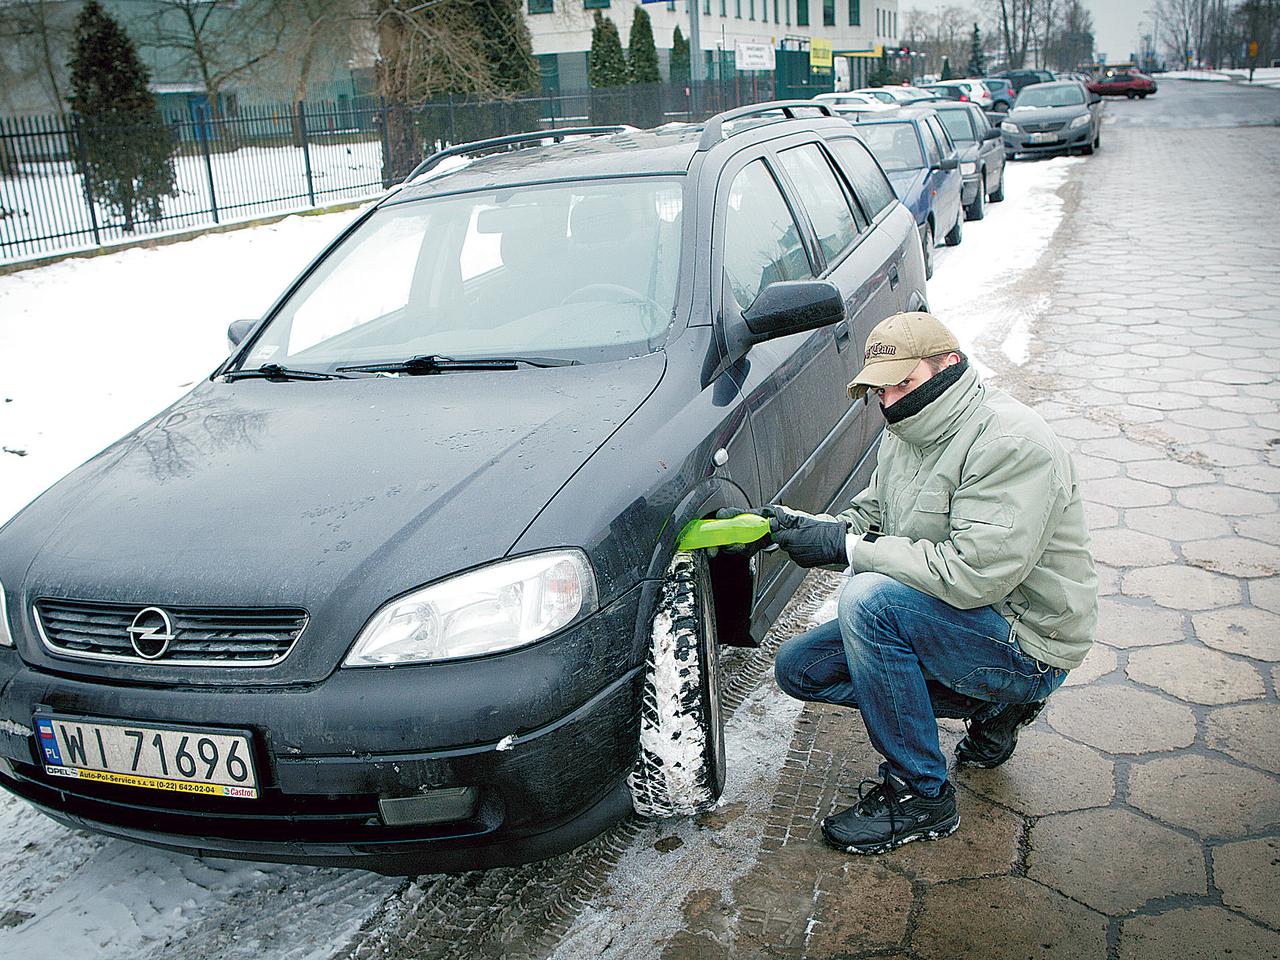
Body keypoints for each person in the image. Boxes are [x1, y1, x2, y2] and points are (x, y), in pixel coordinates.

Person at [721, 311, 1097, 855]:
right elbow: (868, 525)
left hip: (1028, 640)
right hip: (965, 624)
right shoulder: (906, 435)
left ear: (950, 363)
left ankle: (922, 794)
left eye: (906, 382)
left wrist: (849, 551)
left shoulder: (1010, 443)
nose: (892, 400)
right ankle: (990, 705)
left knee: (870, 604)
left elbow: (972, 575)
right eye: (881, 388)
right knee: (799, 669)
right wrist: (798, 530)